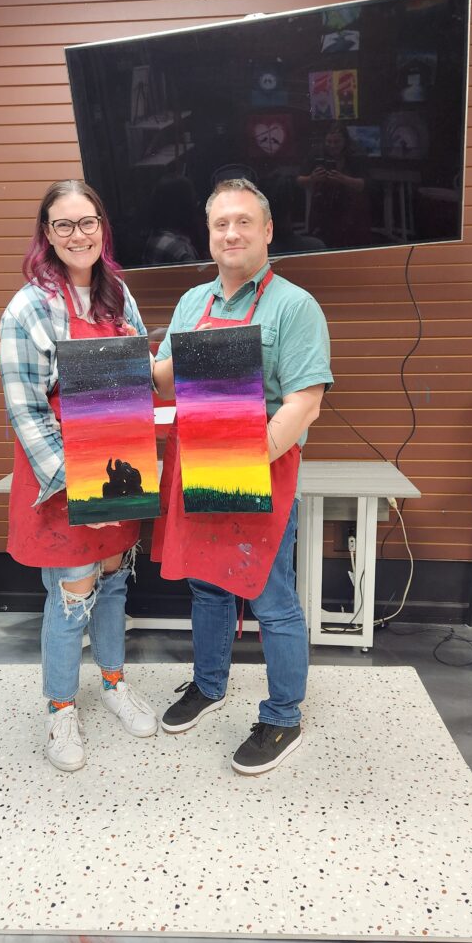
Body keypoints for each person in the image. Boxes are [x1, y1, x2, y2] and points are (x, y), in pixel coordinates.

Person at [151, 178, 333, 775]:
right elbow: (163, 379)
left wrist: (250, 461)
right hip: (197, 463)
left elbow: (305, 402)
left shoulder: (295, 306)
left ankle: (284, 716)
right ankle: (209, 685)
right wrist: (168, 356)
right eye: (220, 224)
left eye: (243, 222)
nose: (231, 233)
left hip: (262, 467)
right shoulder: (192, 302)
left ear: (268, 230)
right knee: (208, 585)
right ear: (209, 235)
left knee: (270, 596)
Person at [0, 179, 157, 774]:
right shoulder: (28, 308)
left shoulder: (119, 295)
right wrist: (80, 485)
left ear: (101, 226)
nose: (77, 235)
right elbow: (26, 411)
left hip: (118, 465)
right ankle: (60, 707)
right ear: (47, 233)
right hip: (64, 475)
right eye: (63, 225)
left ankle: (114, 683)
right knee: (72, 592)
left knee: (113, 581)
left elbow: (139, 378)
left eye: (87, 222)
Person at [297, 122, 371, 249]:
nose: (332, 146)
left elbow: (364, 185)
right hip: (322, 207)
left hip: (350, 207)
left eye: (337, 142)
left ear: (345, 142)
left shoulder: (356, 154)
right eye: (329, 142)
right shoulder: (317, 153)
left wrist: (343, 179)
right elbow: (299, 180)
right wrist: (312, 178)